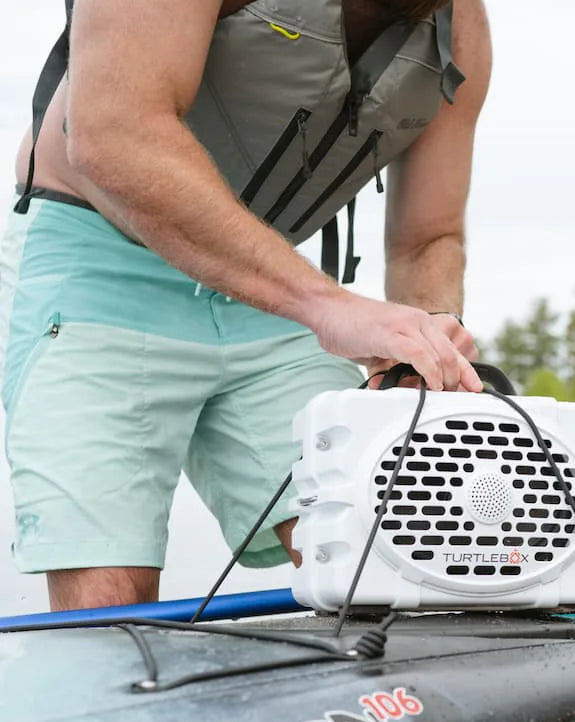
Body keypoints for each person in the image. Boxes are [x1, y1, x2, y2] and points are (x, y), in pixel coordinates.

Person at [0, 0, 491, 612]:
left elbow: (429, 237)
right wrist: (325, 303)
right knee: (110, 609)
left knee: (388, 552)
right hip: (99, 257)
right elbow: (109, 132)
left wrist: (429, 335)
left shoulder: (463, 30)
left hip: (267, 281)